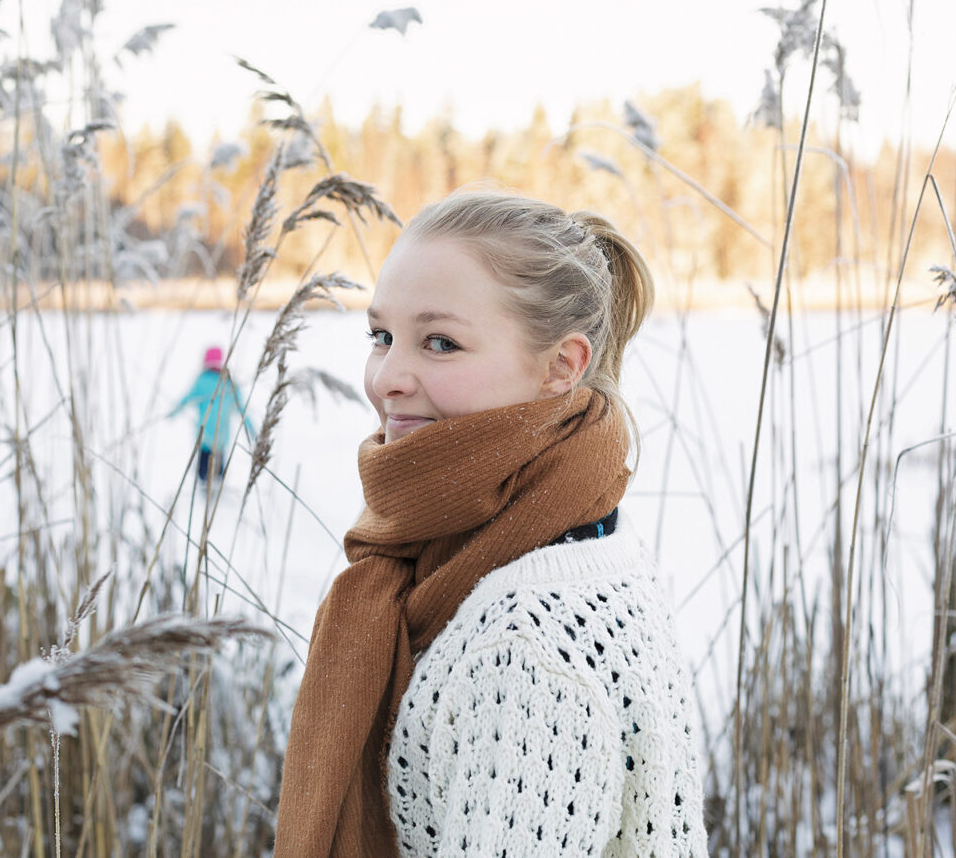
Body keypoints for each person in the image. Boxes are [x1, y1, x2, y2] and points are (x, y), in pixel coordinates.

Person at [275, 191, 709, 857]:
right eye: (381, 337)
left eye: (441, 343)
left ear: (560, 367)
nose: (387, 377)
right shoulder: (581, 549)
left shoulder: (523, 643)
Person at [168, 346, 256, 483]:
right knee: (215, 464)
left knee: (207, 465)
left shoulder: (207, 381)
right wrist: (251, 428)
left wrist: (173, 413)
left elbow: (186, 398)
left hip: (206, 435)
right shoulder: (228, 383)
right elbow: (241, 409)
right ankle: (212, 487)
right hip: (219, 435)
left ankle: (208, 487)